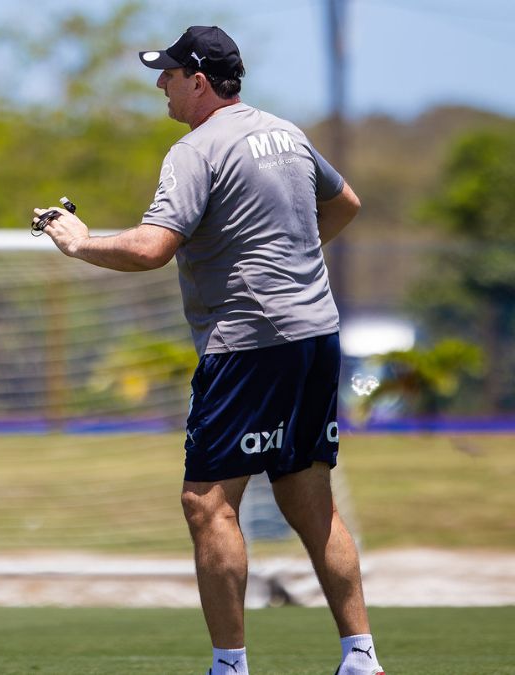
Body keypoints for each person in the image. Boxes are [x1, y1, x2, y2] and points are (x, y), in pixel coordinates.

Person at [33, 25, 383, 675]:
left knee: (208, 502)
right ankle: (360, 656)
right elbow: (346, 205)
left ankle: (229, 667)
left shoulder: (195, 151)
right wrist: (288, 261)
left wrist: (78, 241)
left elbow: (149, 249)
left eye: (168, 73)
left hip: (248, 347)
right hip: (315, 336)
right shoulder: (288, 133)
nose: (160, 83)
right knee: (309, 496)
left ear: (199, 81)